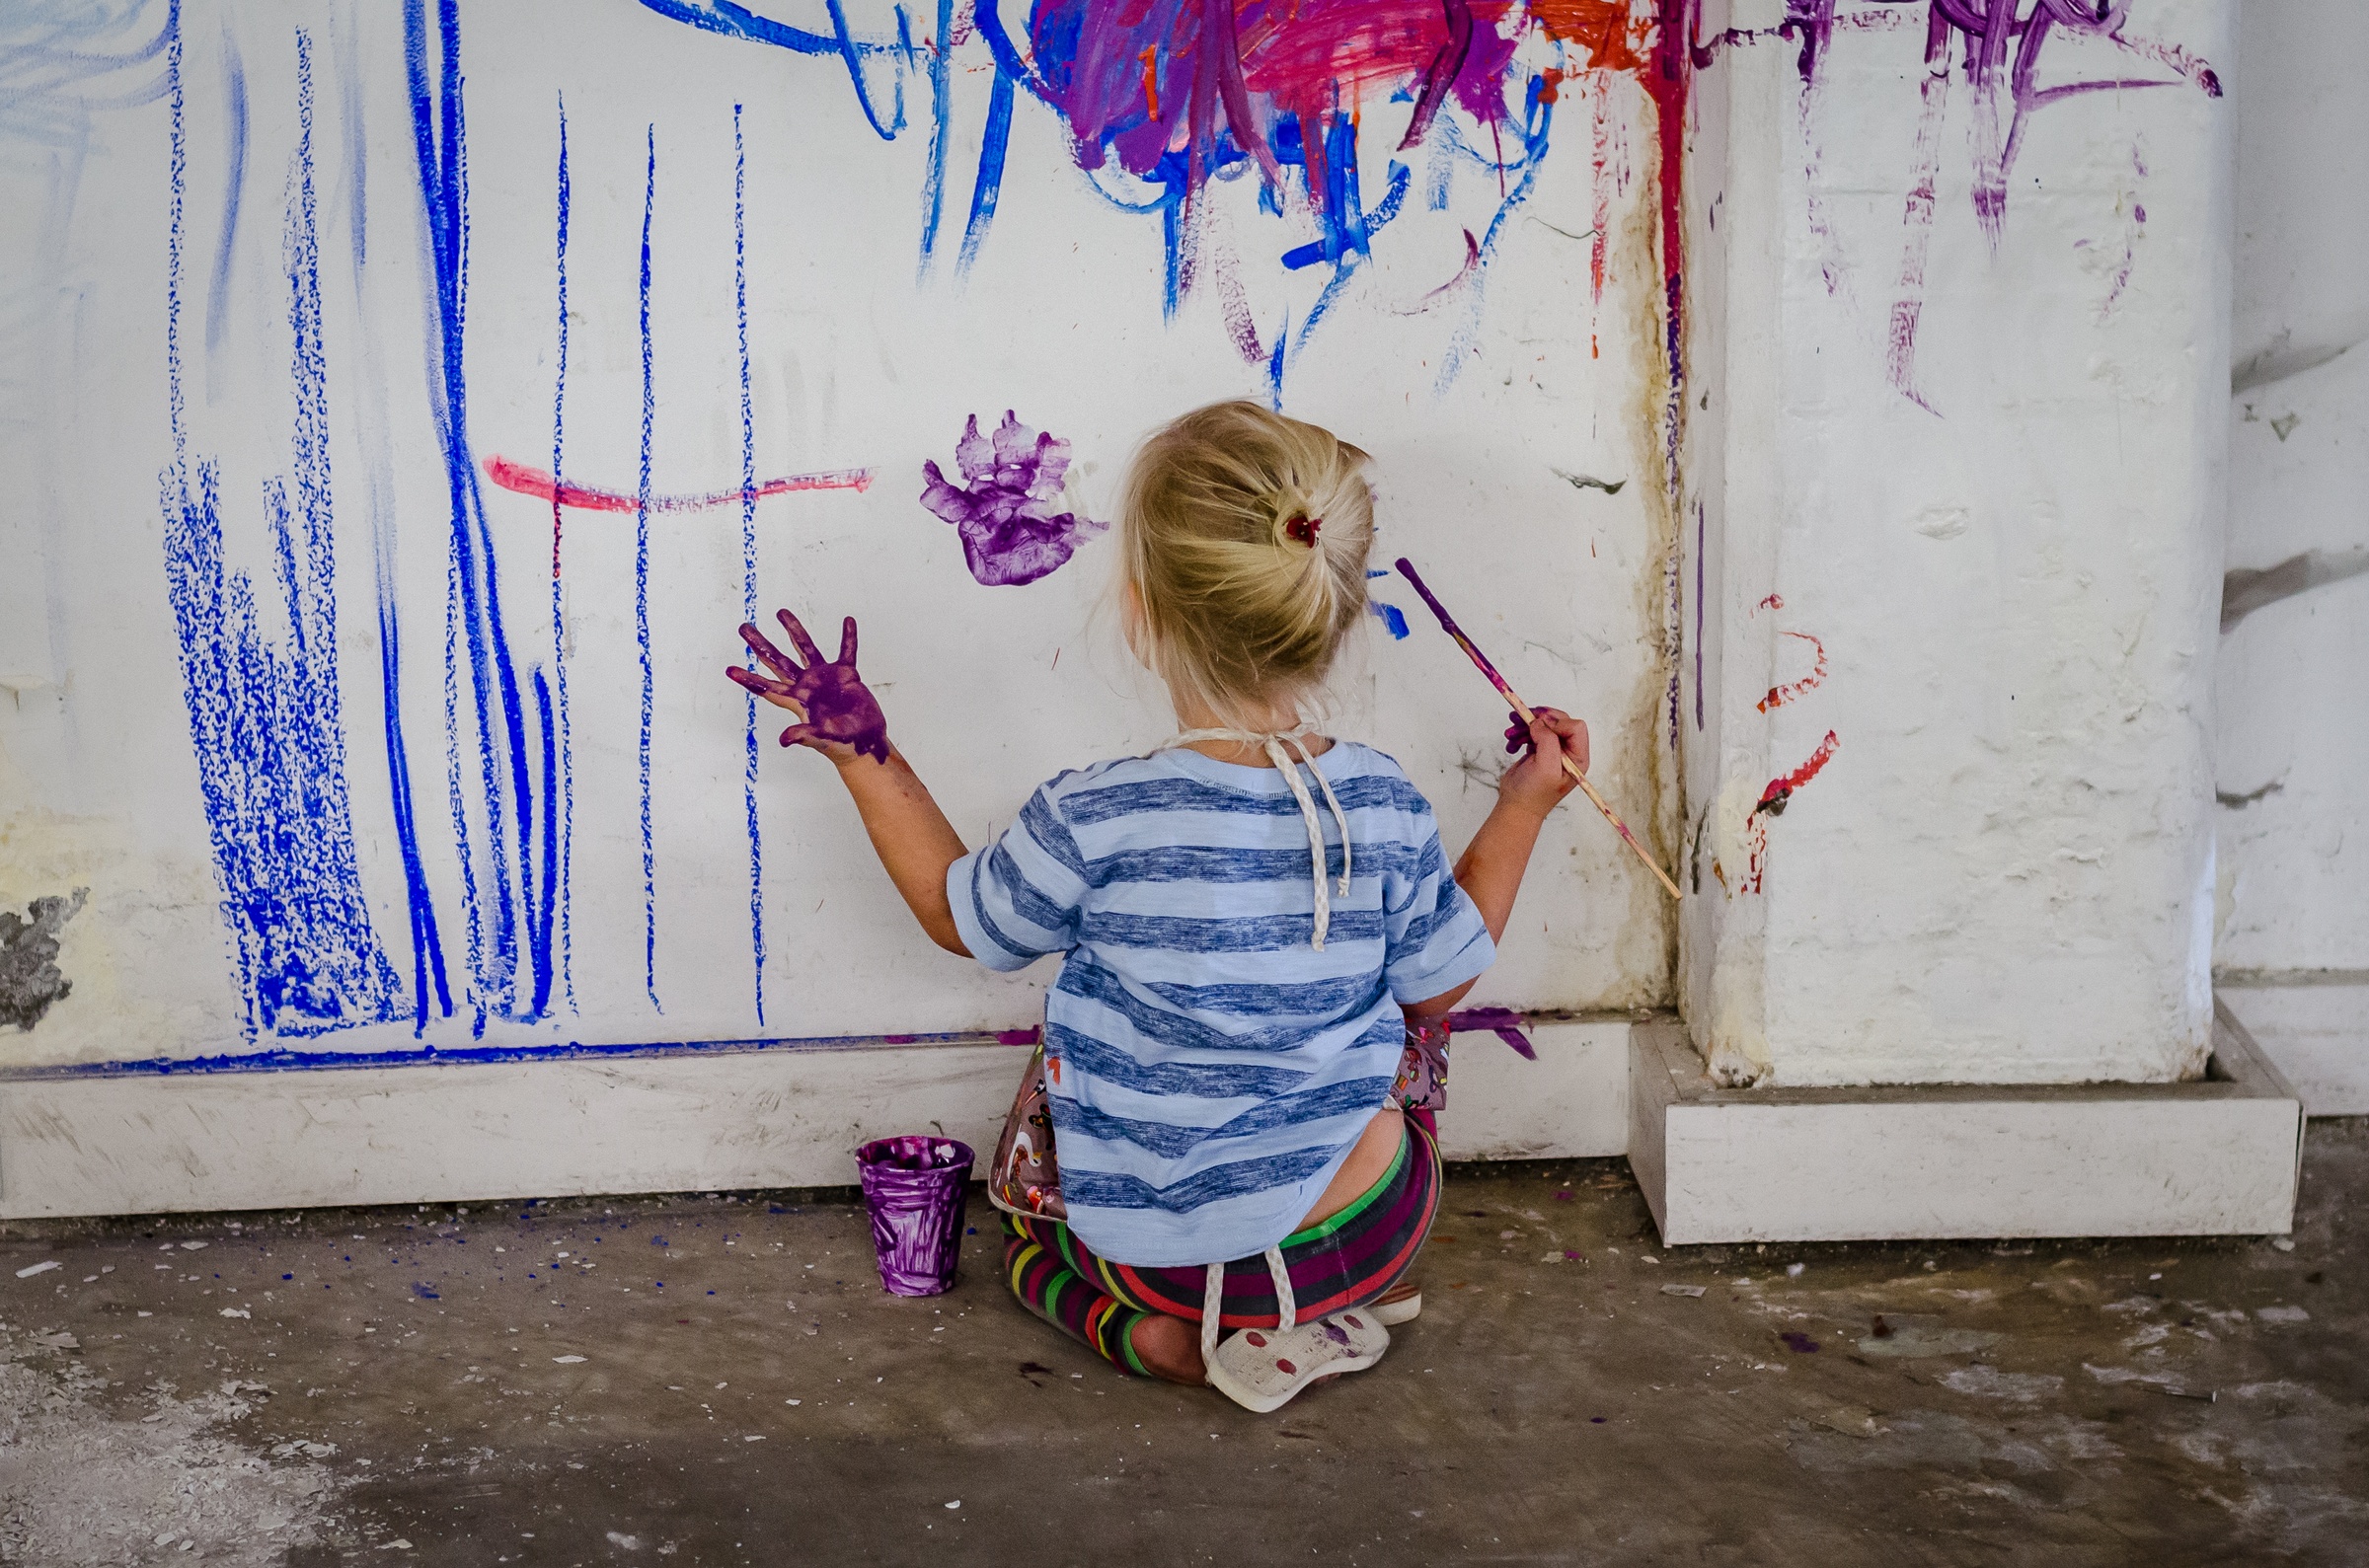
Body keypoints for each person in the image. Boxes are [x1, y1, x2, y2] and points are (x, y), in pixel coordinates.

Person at [728, 401, 1587, 1412]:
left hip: (1153, 1263)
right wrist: (1524, 801)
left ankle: (1162, 1342)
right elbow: (1443, 984)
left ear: (1140, 612)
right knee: (1399, 1043)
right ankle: (1334, 1298)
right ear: (1336, 610)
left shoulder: (1091, 814)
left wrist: (867, 753)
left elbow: (964, 917)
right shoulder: (1381, 801)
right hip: (1354, 1232)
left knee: (1022, 1241)